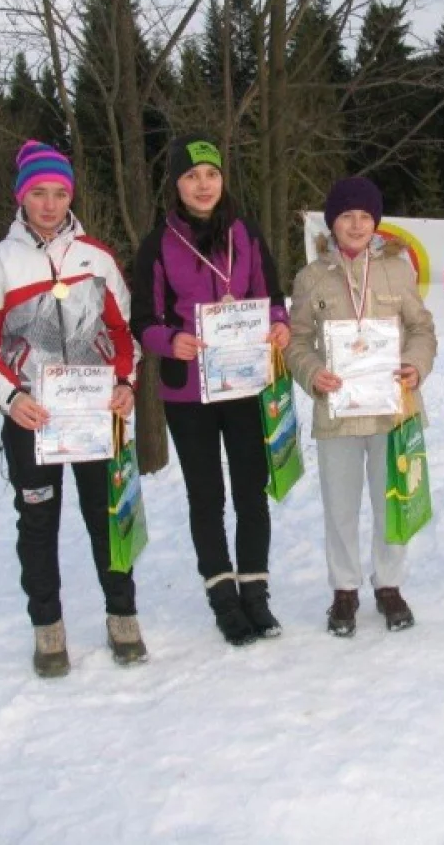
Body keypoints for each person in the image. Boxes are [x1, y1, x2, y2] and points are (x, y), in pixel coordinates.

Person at [0, 140, 145, 678]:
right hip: (31, 418)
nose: (49, 203)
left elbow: (122, 333)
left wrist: (126, 384)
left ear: (71, 195)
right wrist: (11, 398)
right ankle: (48, 628)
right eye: (38, 192)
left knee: (107, 516)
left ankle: (123, 615)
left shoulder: (97, 257)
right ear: (21, 196)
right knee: (38, 522)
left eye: (59, 192)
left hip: (92, 416)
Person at [129, 133, 290, 647]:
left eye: (212, 174)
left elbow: (272, 295)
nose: (204, 185)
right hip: (188, 393)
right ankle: (223, 598)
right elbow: (143, 320)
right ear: (176, 184)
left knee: (251, 490)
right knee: (207, 495)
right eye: (192, 176)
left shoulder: (244, 231)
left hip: (243, 383)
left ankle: (256, 594)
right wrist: (168, 340)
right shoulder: (158, 243)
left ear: (223, 179)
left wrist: (281, 325)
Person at [285, 177, 437, 637]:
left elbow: (422, 329)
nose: (356, 225)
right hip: (338, 411)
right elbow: (296, 340)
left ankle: (389, 584)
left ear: (376, 223)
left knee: (393, 499)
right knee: (341, 505)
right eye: (347, 216)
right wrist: (313, 374)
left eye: (365, 217)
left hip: (393, 408)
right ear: (332, 223)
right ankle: (344, 590)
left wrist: (414, 365)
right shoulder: (312, 277)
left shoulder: (398, 269)